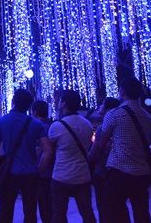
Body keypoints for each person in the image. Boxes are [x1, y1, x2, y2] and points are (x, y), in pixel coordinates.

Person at [94, 77, 151, 223]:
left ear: (123, 92)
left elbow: (102, 142)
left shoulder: (114, 114)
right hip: (142, 170)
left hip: (119, 170)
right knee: (141, 211)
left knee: (115, 210)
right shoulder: (148, 117)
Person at [0, 89, 53, 223]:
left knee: (5, 210)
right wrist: (39, 168)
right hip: (30, 173)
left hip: (10, 173)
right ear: (29, 106)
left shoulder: (0, 122)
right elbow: (48, 150)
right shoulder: (36, 124)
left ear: (13, 102)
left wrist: (3, 162)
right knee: (30, 211)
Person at [48, 90, 96, 223]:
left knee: (58, 213)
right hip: (83, 175)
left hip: (61, 175)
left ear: (63, 104)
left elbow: (49, 150)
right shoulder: (87, 124)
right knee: (87, 212)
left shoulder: (57, 126)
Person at [88, 97, 121, 223]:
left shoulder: (103, 128)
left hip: (102, 170)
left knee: (103, 204)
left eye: (102, 104)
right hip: (116, 169)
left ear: (107, 109)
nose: (99, 106)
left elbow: (96, 149)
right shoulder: (119, 125)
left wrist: (87, 159)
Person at [31, 100, 53, 223]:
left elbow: (40, 149)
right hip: (55, 170)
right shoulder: (53, 126)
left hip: (41, 170)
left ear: (34, 112)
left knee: (44, 204)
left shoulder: (35, 127)